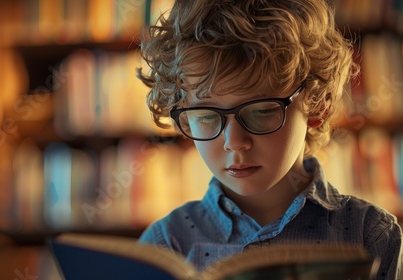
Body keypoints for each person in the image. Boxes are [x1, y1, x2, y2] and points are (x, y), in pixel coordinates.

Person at [136, 0, 403, 279]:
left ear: (317, 104)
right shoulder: (165, 244)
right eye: (206, 116)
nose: (235, 142)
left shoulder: (369, 234)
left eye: (261, 112)